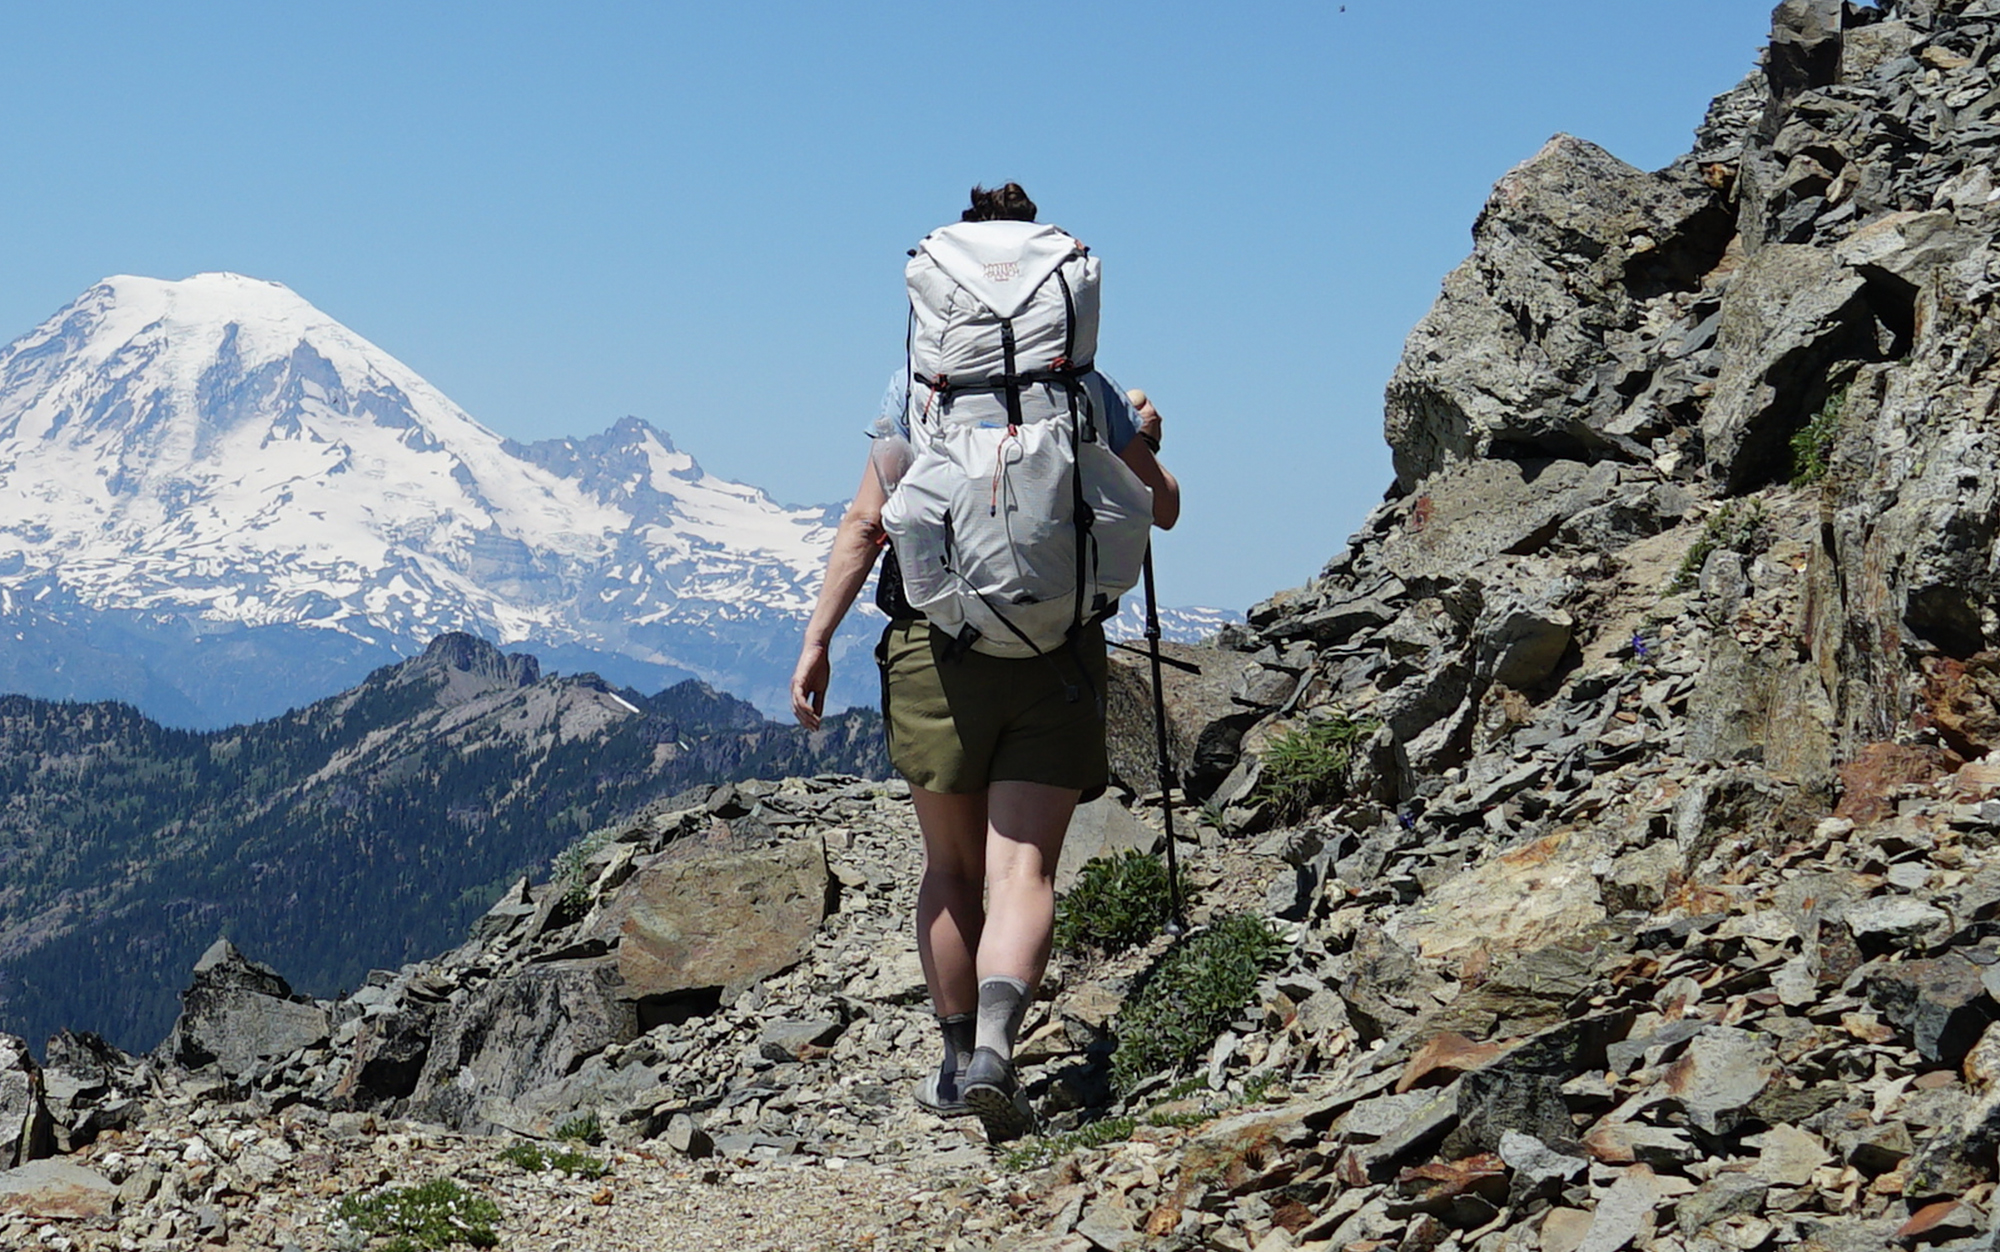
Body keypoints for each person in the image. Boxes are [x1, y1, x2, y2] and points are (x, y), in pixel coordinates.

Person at [790, 183, 1181, 1143]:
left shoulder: (916, 387)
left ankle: (958, 1062)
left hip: (939, 650)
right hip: (1057, 651)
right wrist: (1151, 444)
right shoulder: (1083, 384)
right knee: (1024, 870)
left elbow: (868, 523)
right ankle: (1004, 1052)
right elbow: (1161, 507)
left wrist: (818, 639)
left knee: (952, 868)